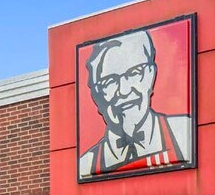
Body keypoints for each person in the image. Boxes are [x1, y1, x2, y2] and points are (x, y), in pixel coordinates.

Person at [79, 29, 191, 178]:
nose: (124, 90)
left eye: (134, 73)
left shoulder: (185, 134)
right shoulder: (85, 166)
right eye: (110, 81)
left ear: (150, 75)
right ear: (96, 94)